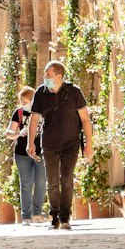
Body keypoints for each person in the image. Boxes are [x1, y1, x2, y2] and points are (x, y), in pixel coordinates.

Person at [27, 59, 93, 231]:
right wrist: (30, 143)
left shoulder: (74, 92)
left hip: (70, 144)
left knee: (67, 180)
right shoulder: (41, 93)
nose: (44, 77)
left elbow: (85, 119)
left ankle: (65, 218)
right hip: (49, 144)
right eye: (44, 74)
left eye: (48, 74)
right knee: (53, 182)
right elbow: (34, 120)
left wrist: (89, 145)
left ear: (59, 76)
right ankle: (54, 216)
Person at [6, 85, 46, 224]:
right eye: (22, 102)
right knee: (26, 184)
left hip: (41, 152)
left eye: (25, 102)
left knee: (41, 182)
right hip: (22, 153)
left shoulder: (43, 111)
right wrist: (19, 133)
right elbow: (9, 132)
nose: (23, 105)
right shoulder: (19, 113)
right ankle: (26, 216)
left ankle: (37, 214)